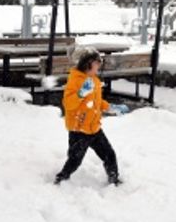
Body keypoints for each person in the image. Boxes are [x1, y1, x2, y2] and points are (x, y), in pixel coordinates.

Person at [54, 45, 129, 186]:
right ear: (87, 64)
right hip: (79, 129)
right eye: (96, 63)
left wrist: (111, 107)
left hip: (94, 127)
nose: (99, 66)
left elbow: (97, 102)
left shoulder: (93, 80)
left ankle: (114, 179)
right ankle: (61, 178)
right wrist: (81, 93)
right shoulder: (75, 80)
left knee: (109, 154)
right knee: (75, 160)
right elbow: (68, 104)